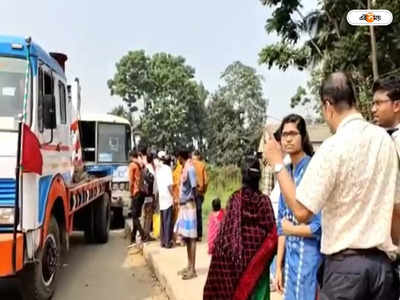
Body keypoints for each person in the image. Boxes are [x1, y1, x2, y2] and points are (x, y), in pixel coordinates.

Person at [265, 71, 400, 299]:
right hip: (382, 268)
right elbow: (396, 210)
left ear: (328, 106)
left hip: (345, 270)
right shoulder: (385, 141)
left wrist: (277, 164)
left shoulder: (332, 147)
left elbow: (301, 211)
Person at [203, 157, 278, 300]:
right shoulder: (264, 201)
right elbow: (273, 235)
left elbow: (225, 240)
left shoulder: (235, 199)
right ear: (259, 177)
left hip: (236, 270)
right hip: (259, 271)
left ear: (242, 176)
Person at [275, 114, 322, 300]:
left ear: (303, 136)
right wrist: (278, 266)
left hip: (311, 259)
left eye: (292, 133)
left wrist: (292, 229)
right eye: (284, 134)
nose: (287, 138)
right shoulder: (286, 173)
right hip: (291, 262)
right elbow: (281, 223)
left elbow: (319, 226)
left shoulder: (313, 168)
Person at [371, 76, 400, 247]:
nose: (373, 109)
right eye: (373, 103)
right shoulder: (379, 139)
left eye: (379, 103)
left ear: (396, 105)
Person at [174, 149, 198, 280]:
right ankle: (189, 265)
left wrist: (193, 202)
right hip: (184, 206)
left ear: (180, 157)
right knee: (187, 237)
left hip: (190, 206)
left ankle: (192, 269)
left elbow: (194, 187)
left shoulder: (190, 169)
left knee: (192, 238)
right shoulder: (185, 168)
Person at [128, 150, 147, 245]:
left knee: (134, 216)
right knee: (136, 215)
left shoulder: (132, 165)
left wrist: (130, 193)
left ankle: (143, 234)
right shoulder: (141, 164)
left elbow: (131, 181)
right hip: (142, 192)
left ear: (131, 156)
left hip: (136, 192)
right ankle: (132, 237)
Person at [157, 151, 174, 248]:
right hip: (167, 197)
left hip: (161, 196)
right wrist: (174, 196)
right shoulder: (167, 169)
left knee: (163, 220)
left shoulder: (158, 169)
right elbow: (169, 186)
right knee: (168, 220)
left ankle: (163, 241)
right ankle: (168, 242)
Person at [192, 150, 208, 241]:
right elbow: (206, 181)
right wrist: (203, 191)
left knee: (191, 213)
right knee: (198, 213)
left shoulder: (189, 164)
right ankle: (199, 235)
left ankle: (192, 234)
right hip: (199, 192)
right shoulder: (202, 165)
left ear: (194, 156)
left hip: (191, 192)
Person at [143, 151, 156, 240]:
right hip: (150, 195)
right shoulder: (151, 169)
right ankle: (146, 235)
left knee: (145, 215)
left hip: (144, 195)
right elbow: (154, 184)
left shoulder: (144, 168)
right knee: (148, 216)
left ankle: (144, 233)